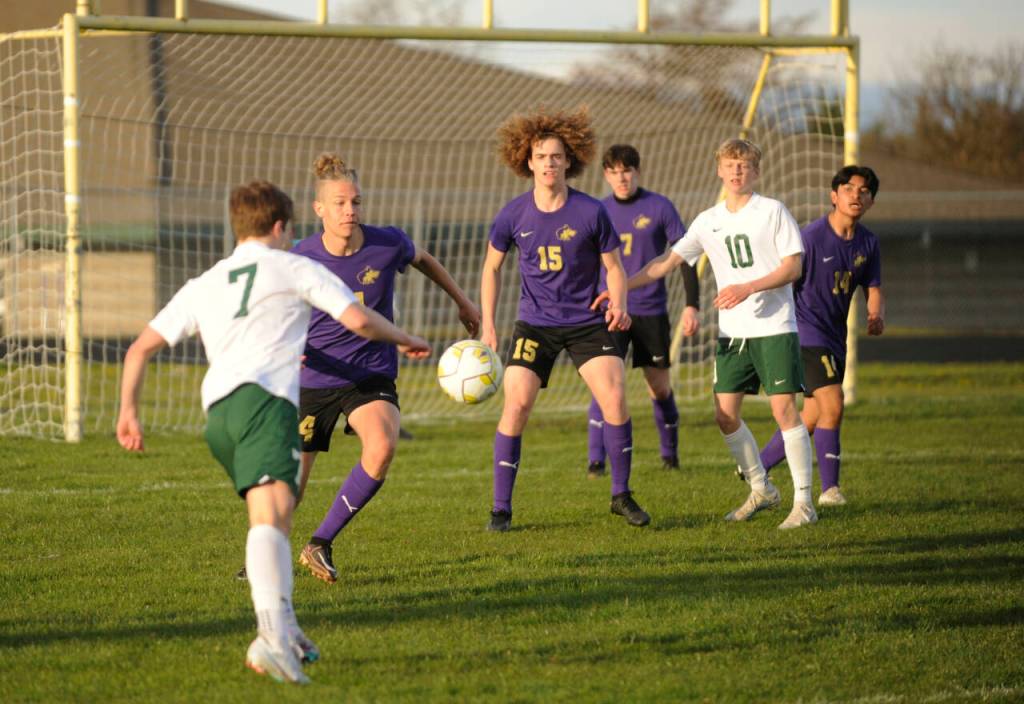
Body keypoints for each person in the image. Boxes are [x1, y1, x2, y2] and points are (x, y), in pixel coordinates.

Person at [116, 181, 430, 684]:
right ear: (281, 227)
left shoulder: (208, 281)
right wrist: (405, 337)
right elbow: (358, 319)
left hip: (219, 418)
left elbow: (139, 349)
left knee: (278, 515)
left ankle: (286, 626)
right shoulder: (294, 267)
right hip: (264, 407)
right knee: (269, 521)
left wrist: (128, 411)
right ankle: (270, 640)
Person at [596, 138, 817, 529]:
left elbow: (792, 268)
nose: (736, 171)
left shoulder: (772, 211)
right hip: (733, 334)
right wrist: (620, 288)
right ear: (719, 170)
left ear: (756, 171)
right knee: (725, 415)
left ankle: (804, 503)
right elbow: (666, 262)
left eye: (744, 165)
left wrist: (748, 287)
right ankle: (761, 488)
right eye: (730, 164)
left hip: (774, 328)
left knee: (783, 410)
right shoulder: (707, 220)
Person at [293, 153, 480, 584]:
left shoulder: (386, 242)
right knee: (291, 488)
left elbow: (423, 259)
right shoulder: (300, 257)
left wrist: (463, 301)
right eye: (339, 203)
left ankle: (320, 543)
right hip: (315, 377)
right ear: (319, 208)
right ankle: (260, 556)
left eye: (355, 202)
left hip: (369, 373)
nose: (350, 211)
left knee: (380, 447)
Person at [480, 107, 650, 532]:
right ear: (528, 162)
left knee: (615, 397)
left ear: (568, 160)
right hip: (534, 323)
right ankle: (500, 509)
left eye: (556, 156)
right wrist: (488, 324)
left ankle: (621, 494)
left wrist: (619, 303)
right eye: (541, 156)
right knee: (516, 404)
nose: (549, 163)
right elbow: (491, 268)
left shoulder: (591, 211)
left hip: (586, 321)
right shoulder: (512, 214)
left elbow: (614, 268)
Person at [759, 166, 884, 505]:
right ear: (833, 196)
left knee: (812, 416)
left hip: (834, 337)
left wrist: (876, 314)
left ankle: (756, 467)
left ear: (871, 201)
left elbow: (873, 286)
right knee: (833, 404)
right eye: (849, 189)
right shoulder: (810, 238)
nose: (856, 195)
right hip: (805, 333)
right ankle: (830, 490)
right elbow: (785, 278)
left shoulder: (868, 242)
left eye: (864, 191)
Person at [586, 144, 701, 478]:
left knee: (659, 388)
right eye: (614, 172)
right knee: (604, 385)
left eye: (627, 170)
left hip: (651, 312)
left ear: (637, 171)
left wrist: (691, 304)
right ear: (606, 175)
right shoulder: (597, 210)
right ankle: (596, 461)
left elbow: (685, 255)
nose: (621, 178)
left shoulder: (660, 206)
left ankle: (670, 456)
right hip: (610, 311)